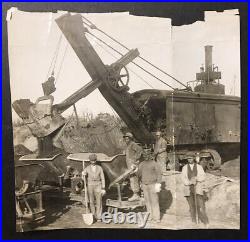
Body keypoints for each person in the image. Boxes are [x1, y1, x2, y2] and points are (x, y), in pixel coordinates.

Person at [181, 152, 209, 228]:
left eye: (191, 158)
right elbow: (183, 178)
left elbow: (203, 176)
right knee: (191, 206)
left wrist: (197, 178)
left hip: (198, 188)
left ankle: (205, 221)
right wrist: (189, 182)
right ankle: (194, 221)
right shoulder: (184, 168)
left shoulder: (199, 167)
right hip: (189, 189)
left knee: (201, 205)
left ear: (193, 158)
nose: (189, 160)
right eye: (188, 158)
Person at [138, 149, 162, 223]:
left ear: (150, 155)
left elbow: (159, 174)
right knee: (147, 202)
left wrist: (158, 184)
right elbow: (138, 174)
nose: (146, 156)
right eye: (144, 155)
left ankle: (157, 218)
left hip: (153, 185)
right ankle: (150, 217)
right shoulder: (141, 164)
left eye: (147, 154)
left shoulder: (155, 163)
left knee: (154, 201)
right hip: (144, 185)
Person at [82, 153, 106, 222]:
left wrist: (103, 188)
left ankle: (99, 217)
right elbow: (83, 178)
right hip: (90, 185)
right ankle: (93, 215)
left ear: (96, 160)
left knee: (99, 201)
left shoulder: (100, 168)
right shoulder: (87, 168)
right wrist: (83, 174)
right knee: (91, 201)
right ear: (90, 161)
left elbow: (103, 178)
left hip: (98, 185)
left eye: (94, 160)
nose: (93, 162)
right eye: (92, 161)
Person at [123, 132, 143, 201]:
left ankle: (136, 195)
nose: (126, 140)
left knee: (134, 179)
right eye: (125, 138)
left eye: (127, 138)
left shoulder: (133, 144)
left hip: (133, 166)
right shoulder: (128, 146)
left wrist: (134, 160)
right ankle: (135, 194)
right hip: (130, 166)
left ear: (131, 139)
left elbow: (140, 150)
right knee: (132, 179)